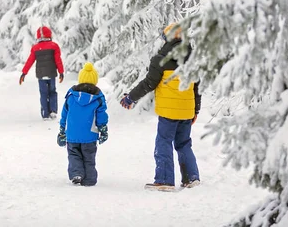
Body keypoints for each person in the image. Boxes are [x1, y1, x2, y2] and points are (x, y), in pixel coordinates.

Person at [120, 23, 201, 189]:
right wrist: (196, 110)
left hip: (168, 111)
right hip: (186, 110)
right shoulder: (193, 60)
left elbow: (149, 83)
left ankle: (164, 180)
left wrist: (130, 98)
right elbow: (197, 87)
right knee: (184, 143)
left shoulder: (161, 60)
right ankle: (191, 178)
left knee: (163, 142)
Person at [57, 62, 109, 186]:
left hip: (72, 133)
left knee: (74, 154)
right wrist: (103, 129)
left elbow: (65, 113)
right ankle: (90, 179)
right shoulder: (98, 98)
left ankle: (76, 173)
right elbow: (101, 116)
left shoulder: (71, 95)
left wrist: (62, 129)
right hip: (89, 135)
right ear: (95, 81)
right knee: (89, 157)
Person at [19, 26, 65, 120]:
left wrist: (24, 73)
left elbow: (30, 61)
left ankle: (45, 113)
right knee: (52, 92)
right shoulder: (54, 46)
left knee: (43, 93)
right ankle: (53, 111)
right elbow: (58, 60)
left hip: (41, 75)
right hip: (51, 74)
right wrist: (61, 72)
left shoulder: (35, 48)